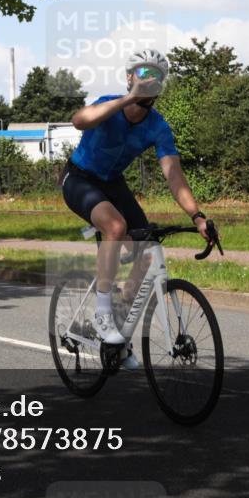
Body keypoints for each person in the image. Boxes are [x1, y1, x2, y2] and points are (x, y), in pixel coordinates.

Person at [62, 49, 211, 366]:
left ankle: (118, 328)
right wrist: (127, 99)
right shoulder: (110, 104)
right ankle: (102, 314)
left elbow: (174, 175)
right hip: (79, 179)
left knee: (148, 251)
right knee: (115, 227)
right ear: (129, 77)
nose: (149, 80)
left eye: (156, 75)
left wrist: (197, 216)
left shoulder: (157, 126)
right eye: (142, 73)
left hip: (112, 183)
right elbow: (78, 121)